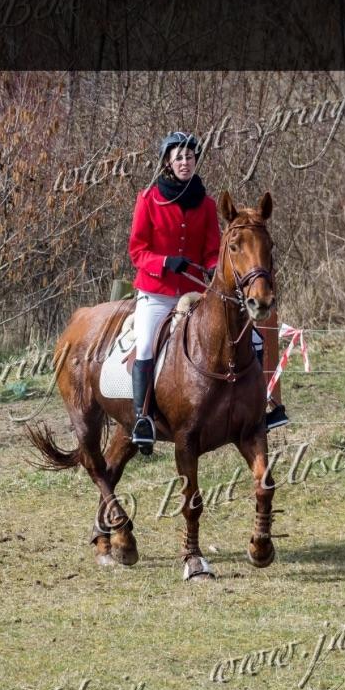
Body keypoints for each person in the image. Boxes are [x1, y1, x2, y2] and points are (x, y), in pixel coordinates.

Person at [128, 131, 288, 456]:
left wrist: (217, 270)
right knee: (145, 343)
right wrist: (164, 262)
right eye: (179, 157)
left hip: (194, 292)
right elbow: (136, 251)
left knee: (254, 339)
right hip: (156, 292)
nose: (185, 162)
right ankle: (142, 419)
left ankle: (262, 405)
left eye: (189, 157)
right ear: (168, 163)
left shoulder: (207, 203)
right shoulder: (148, 199)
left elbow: (213, 252)